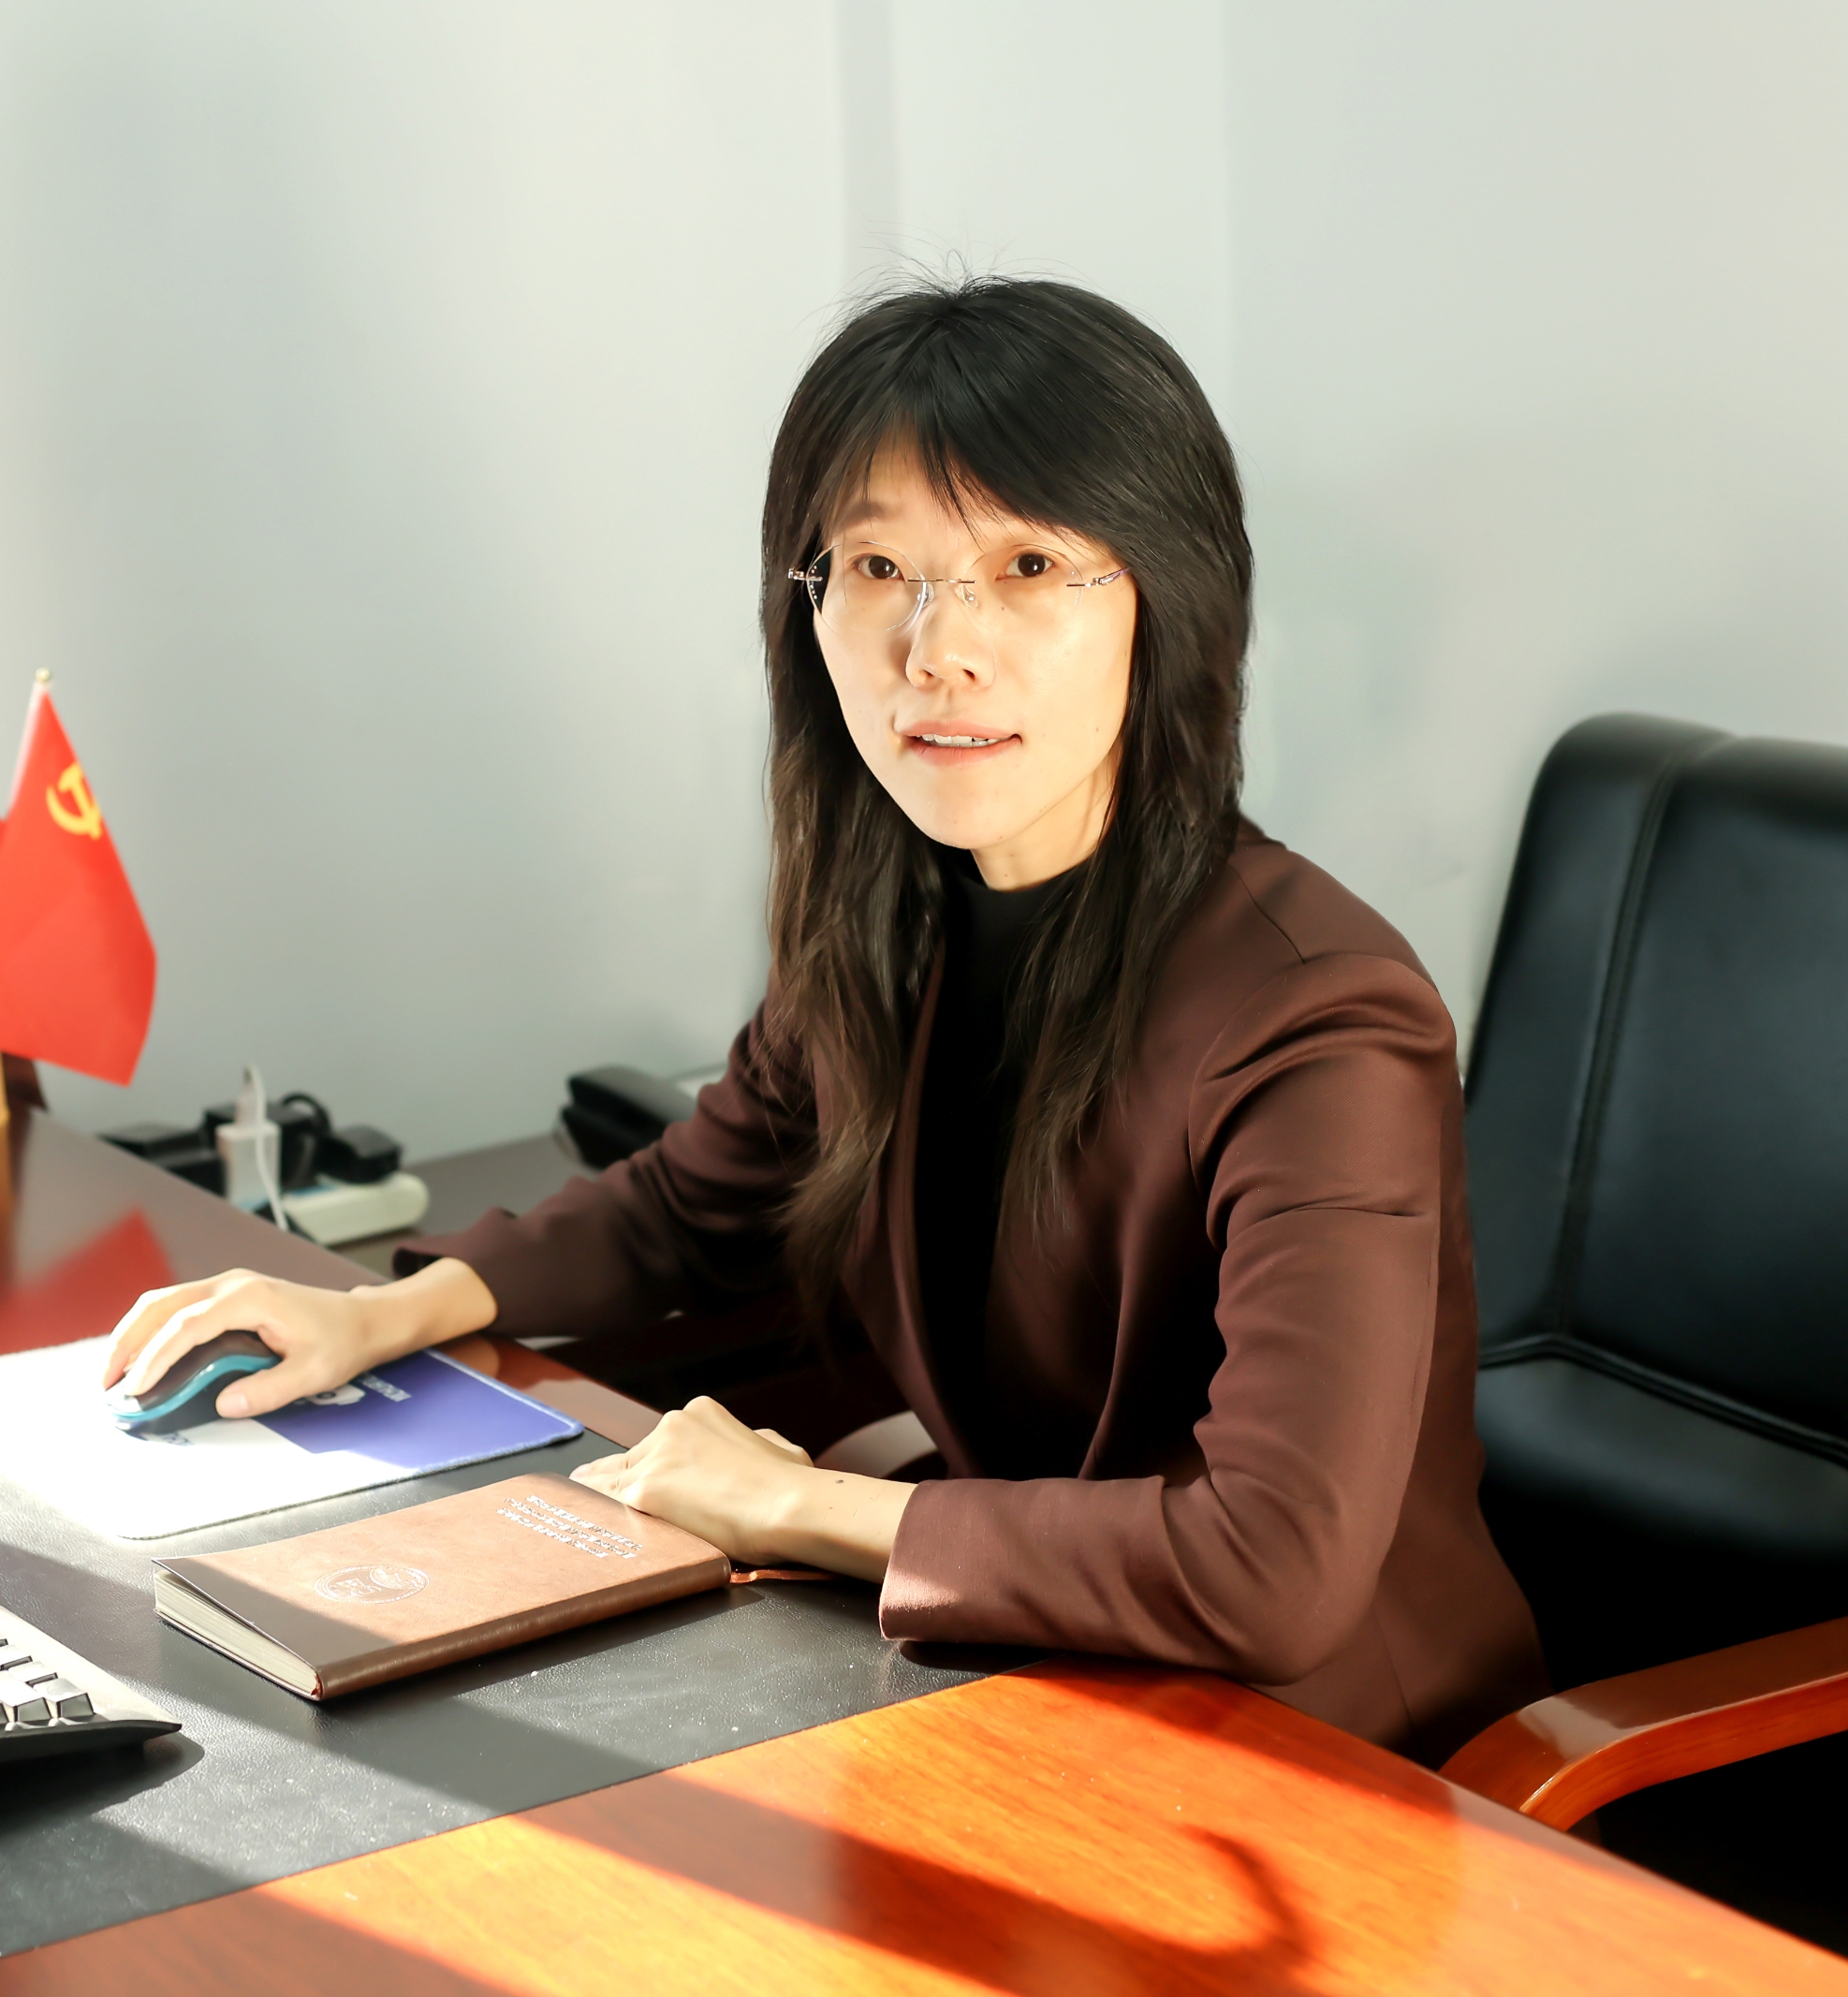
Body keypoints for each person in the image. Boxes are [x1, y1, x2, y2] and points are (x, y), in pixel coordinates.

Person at [102, 276, 1545, 1762]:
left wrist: (796, 1502)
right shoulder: (897, 921)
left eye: (1028, 563)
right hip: (1033, 1678)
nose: (936, 648)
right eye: (876, 565)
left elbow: (1272, 1567)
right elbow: (694, 1200)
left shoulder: (1320, 1017)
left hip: (1328, 1755)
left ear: (1167, 605)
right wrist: (377, 1313)